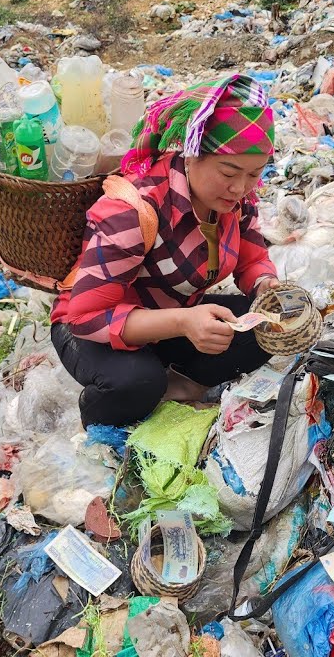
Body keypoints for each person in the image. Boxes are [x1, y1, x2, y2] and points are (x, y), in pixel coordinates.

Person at [50, 74, 280, 427]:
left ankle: (176, 386)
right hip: (94, 325)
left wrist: (267, 286)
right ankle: (105, 414)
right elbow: (85, 318)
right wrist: (183, 322)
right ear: (191, 156)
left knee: (266, 326)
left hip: (172, 314)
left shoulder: (235, 199)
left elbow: (252, 256)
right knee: (136, 383)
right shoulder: (134, 211)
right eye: (229, 171)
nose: (240, 187)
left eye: (254, 174)